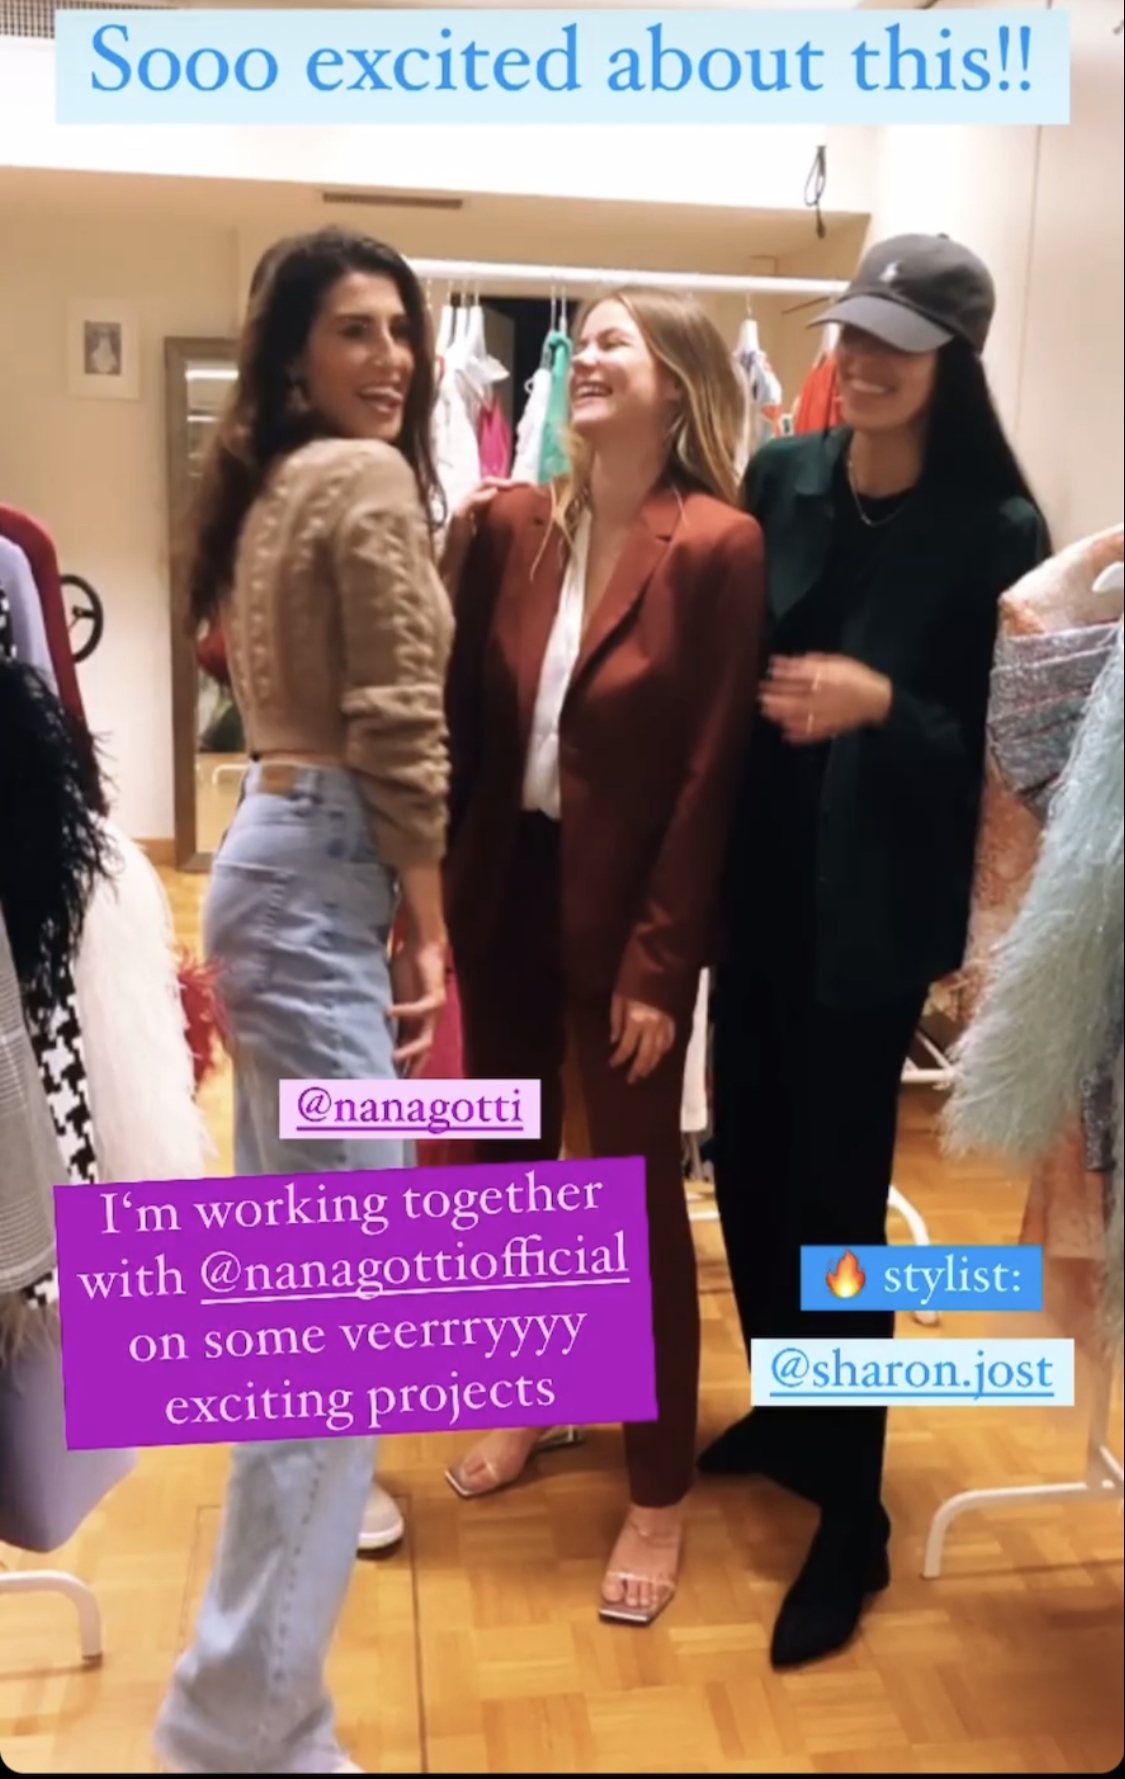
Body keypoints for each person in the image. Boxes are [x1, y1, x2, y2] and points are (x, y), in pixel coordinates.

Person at [704, 234, 1052, 1669]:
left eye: (895, 343)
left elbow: (1006, 754)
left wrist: (879, 704)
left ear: (951, 362)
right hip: (751, 896)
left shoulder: (997, 525)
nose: (860, 362)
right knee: (746, 1167)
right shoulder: (783, 475)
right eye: (852, 335)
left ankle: (854, 1512)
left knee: (837, 1209)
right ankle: (794, 1413)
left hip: (869, 919)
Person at [154, 227, 452, 1775]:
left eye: (400, 330)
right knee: (340, 1332)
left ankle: (255, 1707)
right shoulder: (367, 478)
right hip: (328, 880)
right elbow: (399, 715)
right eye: (354, 331)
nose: (389, 359)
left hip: (273, 874)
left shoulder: (272, 486)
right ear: (291, 355)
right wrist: (429, 925)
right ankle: (239, 1728)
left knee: (302, 1322)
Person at [440, 287, 766, 1627]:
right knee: (510, 1177)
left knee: (633, 1206)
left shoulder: (718, 547)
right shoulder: (508, 527)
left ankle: (658, 1488)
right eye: (583, 341)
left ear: (675, 382)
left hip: (629, 923)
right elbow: (456, 724)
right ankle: (530, 1395)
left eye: (616, 341)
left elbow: (709, 774)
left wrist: (660, 966)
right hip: (501, 903)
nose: (584, 358)